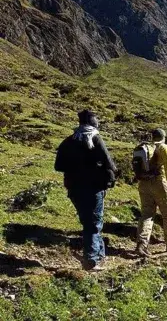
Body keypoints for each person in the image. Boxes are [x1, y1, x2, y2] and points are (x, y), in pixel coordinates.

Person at [54, 110, 116, 271]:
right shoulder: (94, 137)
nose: (98, 122)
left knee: (89, 221)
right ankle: (91, 260)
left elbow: (58, 166)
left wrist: (76, 167)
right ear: (91, 121)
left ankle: (99, 254)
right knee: (94, 222)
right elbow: (108, 162)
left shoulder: (69, 140)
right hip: (93, 187)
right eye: (96, 118)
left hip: (74, 187)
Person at [135, 129, 167, 257]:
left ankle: (142, 244)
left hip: (143, 183)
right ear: (164, 137)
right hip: (159, 182)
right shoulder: (164, 147)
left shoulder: (145, 147)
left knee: (147, 214)